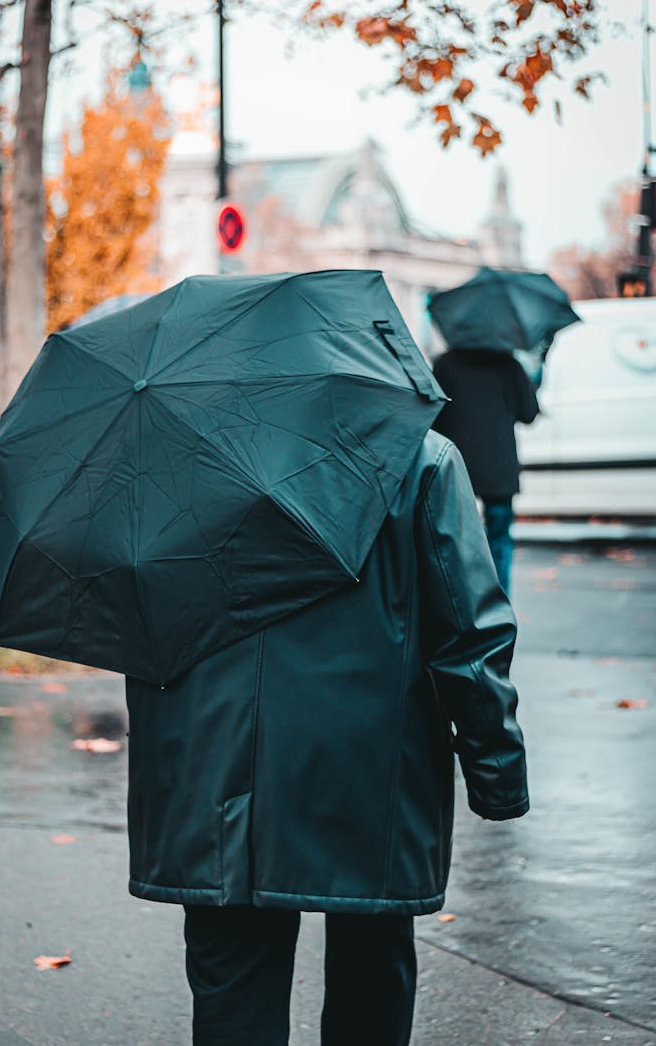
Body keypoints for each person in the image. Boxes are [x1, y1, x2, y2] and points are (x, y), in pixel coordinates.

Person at [126, 430, 529, 1045]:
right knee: (373, 962)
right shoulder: (418, 455)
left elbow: (132, 613)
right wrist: (496, 769)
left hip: (214, 765)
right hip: (369, 768)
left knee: (233, 977)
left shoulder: (172, 455)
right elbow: (468, 631)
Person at [431, 348, 539, 594]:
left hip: (456, 466)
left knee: (456, 540)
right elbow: (529, 413)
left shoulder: (446, 366)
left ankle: (463, 599)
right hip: (498, 467)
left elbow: (432, 414)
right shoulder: (508, 365)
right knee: (499, 538)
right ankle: (499, 603)